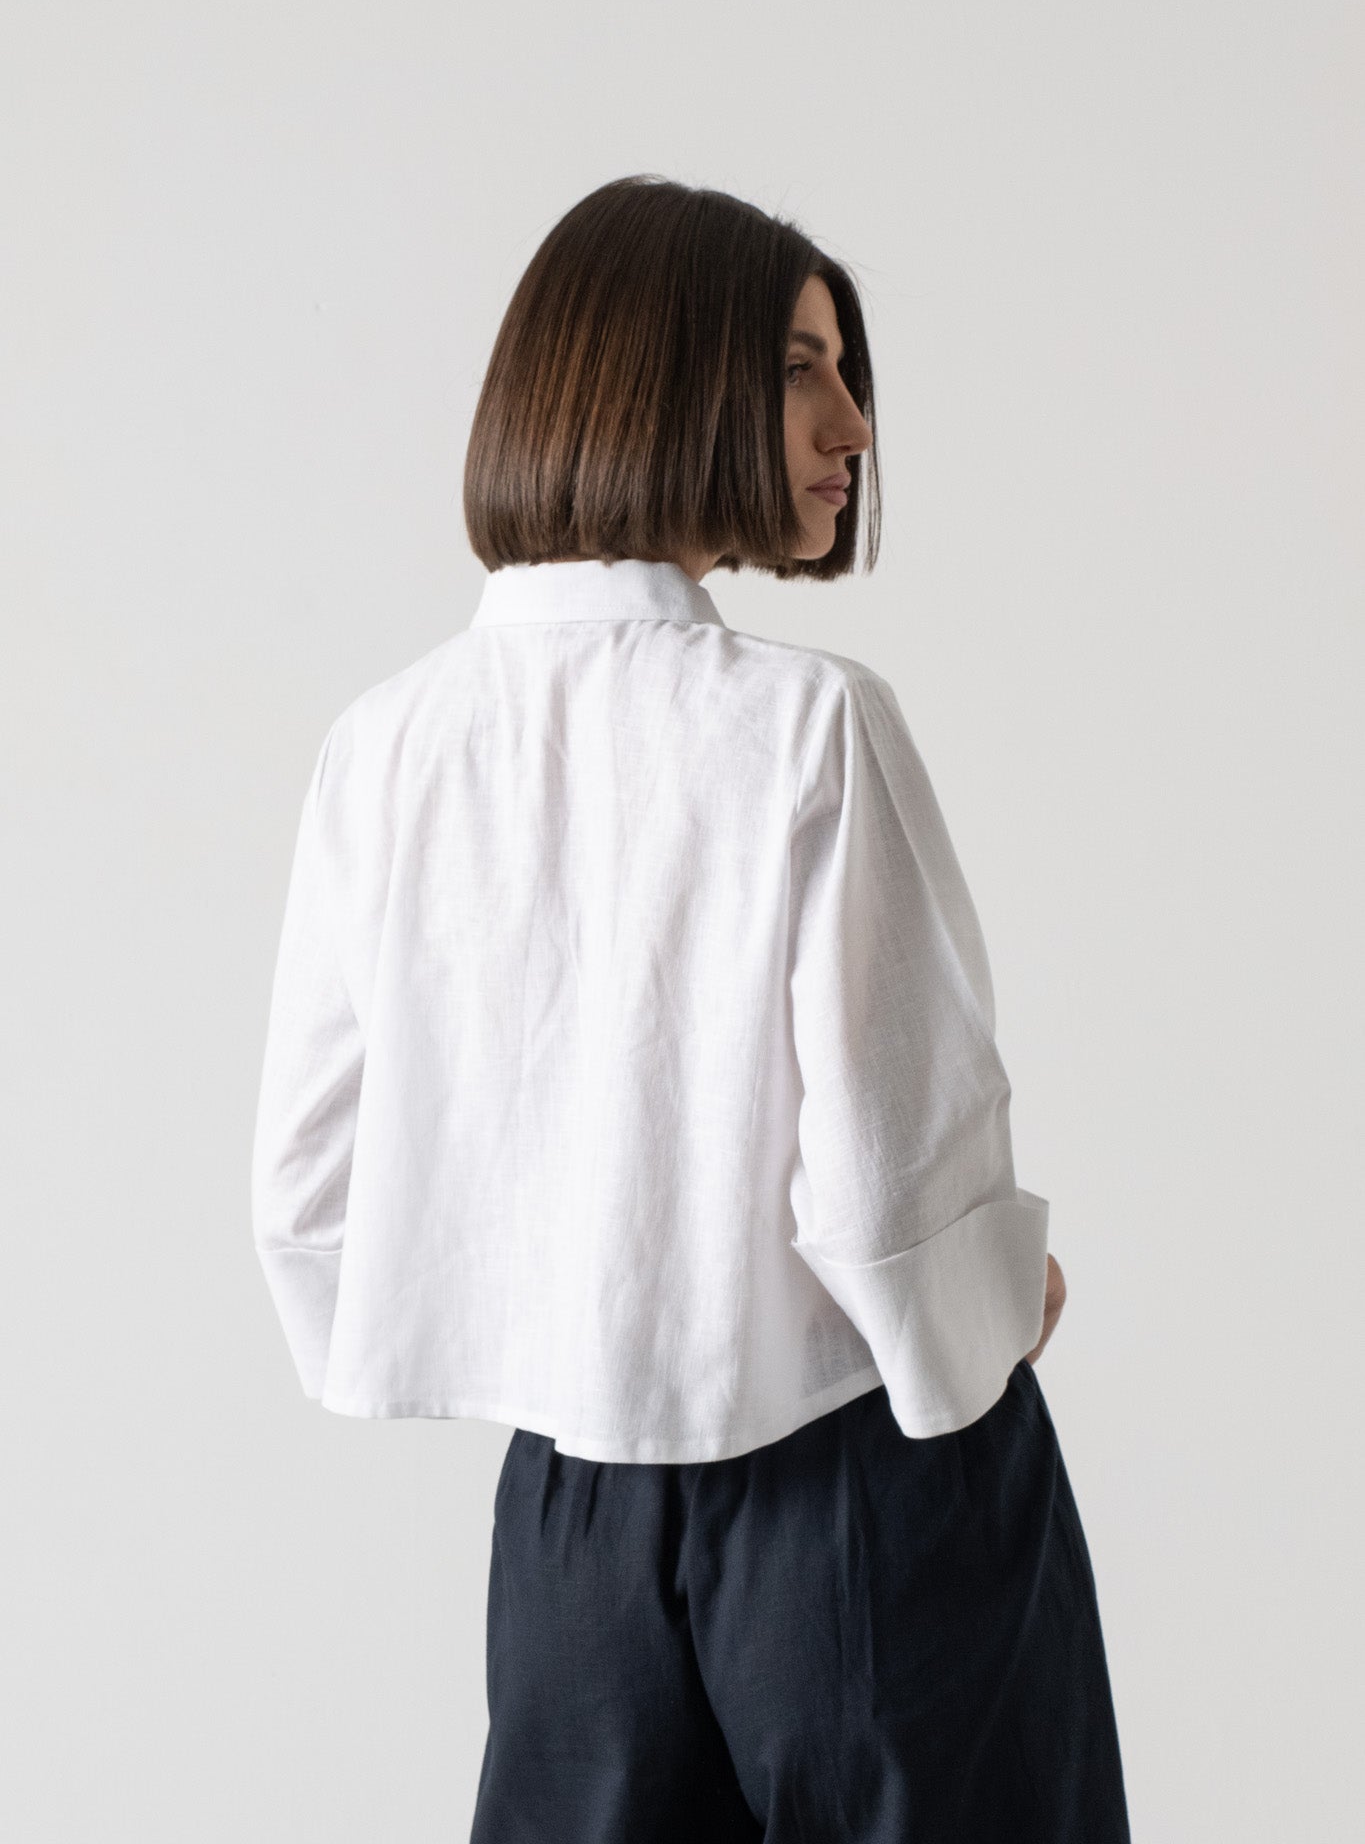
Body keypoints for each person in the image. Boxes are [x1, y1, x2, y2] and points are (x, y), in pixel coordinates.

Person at [251, 176, 1130, 1840]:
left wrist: (553, 1319)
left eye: (844, 372)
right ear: (662, 379)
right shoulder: (807, 724)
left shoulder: (382, 745)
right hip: (859, 1496)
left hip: (566, 1531)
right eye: (800, 368)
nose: (853, 423)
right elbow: (888, 1193)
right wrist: (995, 1300)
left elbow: (307, 1201)